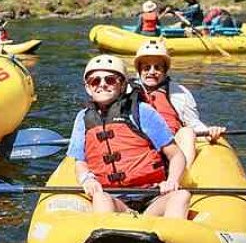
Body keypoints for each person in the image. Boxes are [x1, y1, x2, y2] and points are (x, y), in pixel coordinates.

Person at [66, 54, 191, 219]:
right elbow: (80, 162)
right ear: (88, 88)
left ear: (123, 85)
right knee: (101, 198)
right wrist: (87, 179)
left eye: (110, 80)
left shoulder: (142, 112)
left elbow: (175, 155)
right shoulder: (83, 118)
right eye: (95, 81)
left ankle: (171, 240)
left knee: (181, 196)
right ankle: (109, 239)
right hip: (114, 199)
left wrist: (172, 180)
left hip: (153, 196)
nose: (102, 85)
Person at [131, 40, 225, 167]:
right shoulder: (127, 91)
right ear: (139, 70)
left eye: (157, 67)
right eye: (146, 68)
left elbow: (193, 123)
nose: (152, 72)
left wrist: (209, 132)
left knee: (187, 132)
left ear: (165, 71)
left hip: (173, 146)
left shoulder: (180, 93)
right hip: (139, 146)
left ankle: (180, 178)